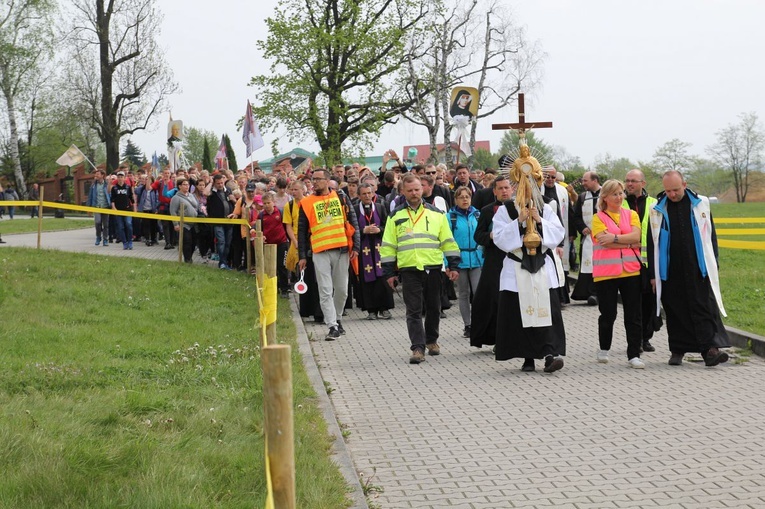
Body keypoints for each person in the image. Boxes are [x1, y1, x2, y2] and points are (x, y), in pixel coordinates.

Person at [492, 146, 565, 373]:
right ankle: (527, 357)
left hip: (541, 265)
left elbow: (558, 233)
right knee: (519, 312)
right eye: (523, 181)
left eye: (532, 180)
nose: (528, 185)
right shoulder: (506, 210)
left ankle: (549, 354)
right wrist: (518, 222)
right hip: (517, 267)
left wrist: (539, 222)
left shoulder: (545, 207)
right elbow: (500, 239)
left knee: (545, 310)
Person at [648, 170, 730, 367]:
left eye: (675, 190)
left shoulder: (701, 203)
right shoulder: (656, 208)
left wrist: (714, 264)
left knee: (702, 307)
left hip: (697, 266)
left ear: (684, 185)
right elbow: (652, 242)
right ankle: (677, 350)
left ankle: (709, 351)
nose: (672, 194)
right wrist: (653, 274)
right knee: (675, 309)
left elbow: (711, 236)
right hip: (670, 268)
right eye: (668, 191)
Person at [380, 174, 461, 364]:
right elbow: (388, 245)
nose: (414, 193)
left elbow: (448, 241)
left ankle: (431, 340)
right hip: (409, 269)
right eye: (410, 190)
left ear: (422, 189)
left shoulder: (436, 214)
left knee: (434, 307)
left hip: (433, 267)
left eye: (417, 189)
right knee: (413, 310)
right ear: (403, 192)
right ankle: (417, 347)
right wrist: (389, 272)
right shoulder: (396, 215)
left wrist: (453, 265)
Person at [298, 168, 360, 341]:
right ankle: (332, 325)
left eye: (318, 179)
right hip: (320, 252)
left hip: (341, 250)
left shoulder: (341, 197)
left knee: (342, 291)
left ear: (327, 181)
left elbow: (353, 221)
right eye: (313, 179)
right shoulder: (306, 202)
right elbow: (301, 231)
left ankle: (338, 318)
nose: (315, 182)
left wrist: (356, 247)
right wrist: (302, 255)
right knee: (325, 290)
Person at [591, 180, 644, 368]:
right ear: (604, 197)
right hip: (606, 273)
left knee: (633, 314)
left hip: (630, 271)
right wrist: (627, 243)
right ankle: (604, 348)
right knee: (608, 314)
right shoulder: (598, 218)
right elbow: (604, 242)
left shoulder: (632, 215)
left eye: (621, 193)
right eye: (615, 194)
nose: (619, 197)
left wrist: (617, 239)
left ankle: (634, 354)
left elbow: (636, 237)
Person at [469, 175, 514, 349]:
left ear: (512, 190)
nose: (504, 191)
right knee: (493, 299)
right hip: (494, 259)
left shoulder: (519, 208)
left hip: (514, 257)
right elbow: (478, 235)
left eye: (506, 188)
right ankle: (495, 337)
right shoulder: (487, 210)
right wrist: (491, 236)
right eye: (500, 188)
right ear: (494, 191)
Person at [624, 169, 659, 353]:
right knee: (632, 304)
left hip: (647, 261)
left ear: (643, 183)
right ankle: (635, 340)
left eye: (634, 181)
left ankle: (646, 337)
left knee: (649, 302)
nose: (630, 184)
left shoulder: (654, 203)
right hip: (627, 261)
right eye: (627, 181)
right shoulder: (619, 203)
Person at [448, 186, 483, 338]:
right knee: (463, 293)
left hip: (476, 259)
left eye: (467, 197)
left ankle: (479, 323)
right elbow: (446, 240)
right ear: (456, 199)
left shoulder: (477, 215)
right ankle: (467, 325)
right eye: (461, 197)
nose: (464, 200)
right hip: (459, 259)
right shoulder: (450, 217)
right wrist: (448, 263)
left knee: (478, 293)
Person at [356, 182, 394, 320]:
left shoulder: (380, 207)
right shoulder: (355, 209)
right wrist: (362, 231)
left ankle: (385, 309)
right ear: (359, 195)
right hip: (363, 249)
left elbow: (388, 226)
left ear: (373, 193)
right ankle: (371, 310)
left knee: (382, 278)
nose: (367, 196)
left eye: (369, 193)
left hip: (380, 248)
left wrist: (380, 230)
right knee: (367, 280)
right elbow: (351, 229)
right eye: (364, 194)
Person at [541, 166, 572, 305]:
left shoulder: (562, 190)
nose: (550, 180)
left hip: (559, 232)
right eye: (547, 176)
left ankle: (561, 298)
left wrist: (570, 234)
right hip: (543, 234)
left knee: (560, 266)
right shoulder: (537, 190)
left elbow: (568, 212)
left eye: (553, 177)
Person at [571, 171, 602, 304]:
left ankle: (598, 294)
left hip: (603, 237)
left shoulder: (605, 195)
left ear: (594, 180)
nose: (583, 183)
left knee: (601, 265)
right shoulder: (583, 197)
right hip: (588, 237)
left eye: (585, 181)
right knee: (587, 264)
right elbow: (576, 216)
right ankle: (588, 293)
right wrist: (582, 227)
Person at [260, 192, 290, 297]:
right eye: (264, 203)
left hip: (282, 243)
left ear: (273, 202)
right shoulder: (262, 215)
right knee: (271, 268)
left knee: (282, 266)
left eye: (268, 203)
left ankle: (285, 289)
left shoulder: (280, 212)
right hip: (269, 245)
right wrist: (260, 235)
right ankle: (274, 288)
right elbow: (259, 228)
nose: (267, 205)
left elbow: (287, 227)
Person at [206, 173, 235, 269]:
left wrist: (233, 200)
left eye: (222, 183)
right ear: (214, 183)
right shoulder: (212, 192)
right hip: (218, 222)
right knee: (221, 241)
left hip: (229, 221)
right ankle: (222, 263)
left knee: (228, 243)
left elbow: (234, 202)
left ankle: (224, 261)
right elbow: (205, 193)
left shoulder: (228, 190)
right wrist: (210, 182)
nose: (220, 185)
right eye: (218, 183)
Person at [169, 177, 199, 263]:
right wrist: (175, 224)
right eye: (184, 184)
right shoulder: (176, 198)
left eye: (188, 184)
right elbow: (173, 211)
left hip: (194, 223)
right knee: (187, 241)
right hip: (184, 224)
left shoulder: (192, 195)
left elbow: (197, 206)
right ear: (179, 186)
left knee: (194, 242)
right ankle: (187, 259)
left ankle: (190, 256)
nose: (187, 186)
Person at [110, 171, 136, 250]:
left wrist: (134, 209)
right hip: (118, 210)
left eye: (122, 177)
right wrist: (114, 208)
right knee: (120, 227)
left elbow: (132, 199)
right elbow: (112, 199)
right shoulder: (114, 188)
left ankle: (130, 241)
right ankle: (124, 242)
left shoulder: (128, 187)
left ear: (124, 178)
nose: (120, 178)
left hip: (128, 209)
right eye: (119, 177)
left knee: (128, 224)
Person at [86, 169, 112, 246]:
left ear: (102, 175)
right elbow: (90, 197)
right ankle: (98, 237)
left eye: (97, 174)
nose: (96, 176)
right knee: (97, 222)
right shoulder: (93, 186)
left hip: (105, 207)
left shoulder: (106, 184)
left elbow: (110, 195)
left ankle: (105, 239)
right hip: (96, 207)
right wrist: (88, 209)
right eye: (95, 174)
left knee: (106, 224)